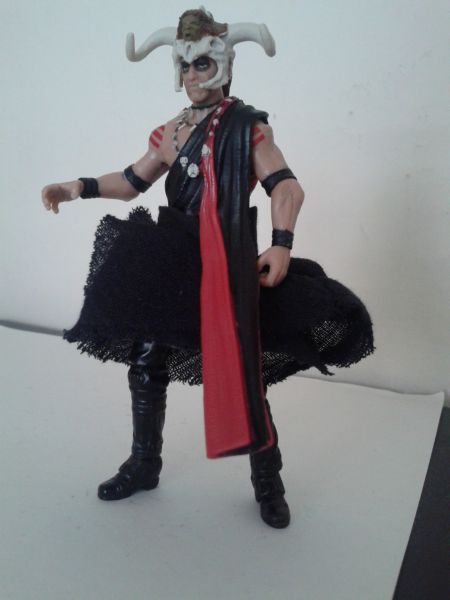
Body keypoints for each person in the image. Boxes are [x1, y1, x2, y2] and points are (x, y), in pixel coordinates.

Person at [41, 8, 374, 529]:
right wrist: (77, 187)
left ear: (224, 66)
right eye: (185, 66)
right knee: (147, 359)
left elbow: (286, 187)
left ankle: (268, 483)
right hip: (174, 257)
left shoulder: (248, 130)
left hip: (230, 262)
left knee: (244, 373)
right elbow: (131, 181)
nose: (193, 76)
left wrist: (281, 245)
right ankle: (144, 463)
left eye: (202, 64)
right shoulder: (172, 132)